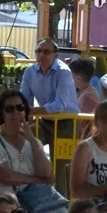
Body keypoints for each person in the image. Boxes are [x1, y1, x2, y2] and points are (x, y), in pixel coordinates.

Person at [0, 91, 70, 213]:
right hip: (5, 204)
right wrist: (37, 180)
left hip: (35, 202)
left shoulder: (33, 142)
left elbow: (46, 173)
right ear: (1, 114)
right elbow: (6, 177)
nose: (16, 113)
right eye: (9, 109)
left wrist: (33, 141)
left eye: (20, 108)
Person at [20, 38, 79, 196]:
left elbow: (59, 105)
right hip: (44, 121)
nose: (42, 55)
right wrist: (23, 116)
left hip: (67, 124)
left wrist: (29, 111)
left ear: (55, 55)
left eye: (46, 52)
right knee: (21, 144)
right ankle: (29, 194)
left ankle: (63, 205)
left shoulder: (63, 71)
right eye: (38, 51)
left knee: (61, 170)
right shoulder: (29, 71)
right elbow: (23, 100)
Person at [70, 58, 101, 138]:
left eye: (70, 76)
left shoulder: (87, 97)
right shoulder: (86, 91)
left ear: (78, 78)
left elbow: (87, 124)